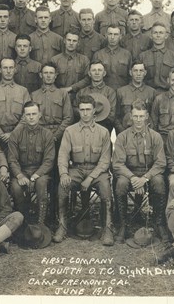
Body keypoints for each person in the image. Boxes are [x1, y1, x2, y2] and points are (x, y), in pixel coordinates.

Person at [55, 95, 113, 244]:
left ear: (94, 111)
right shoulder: (69, 131)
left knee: (106, 188)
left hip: (97, 171)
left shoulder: (103, 132)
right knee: (63, 187)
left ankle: (107, 228)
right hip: (76, 169)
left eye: (88, 109)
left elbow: (105, 160)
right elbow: (62, 155)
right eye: (82, 110)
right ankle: (62, 226)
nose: (85, 113)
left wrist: (90, 178)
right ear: (78, 111)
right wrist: (63, 173)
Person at [113, 104, 167, 240]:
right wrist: (133, 178)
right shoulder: (122, 137)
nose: (138, 120)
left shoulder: (155, 137)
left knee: (159, 182)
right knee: (120, 183)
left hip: (148, 174)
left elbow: (160, 163)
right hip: (129, 173)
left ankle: (158, 222)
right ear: (131, 117)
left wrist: (144, 178)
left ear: (147, 117)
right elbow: (118, 164)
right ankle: (123, 224)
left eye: (141, 116)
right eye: (135, 116)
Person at [6, 103, 57, 225]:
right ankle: (23, 220)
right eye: (28, 114)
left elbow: (49, 161)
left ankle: (41, 222)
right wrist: (19, 176)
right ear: (24, 116)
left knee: (41, 183)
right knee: (16, 187)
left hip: (40, 172)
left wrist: (35, 176)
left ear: (40, 115)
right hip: (21, 170)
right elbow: (12, 159)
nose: (31, 117)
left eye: (34, 114)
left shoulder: (47, 134)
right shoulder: (16, 134)